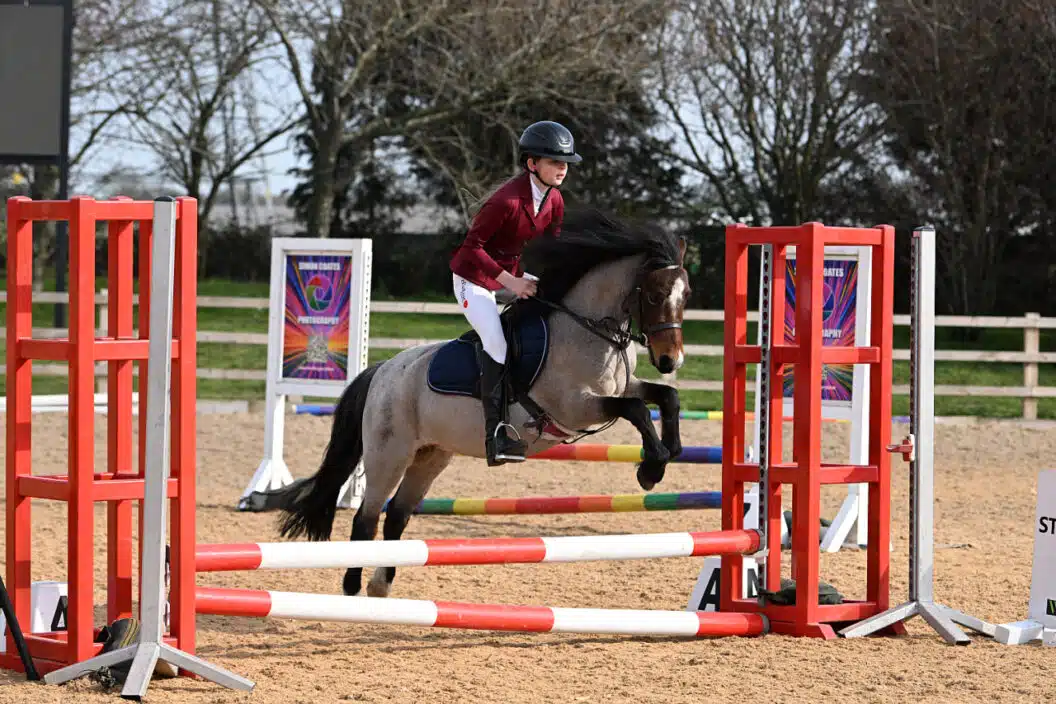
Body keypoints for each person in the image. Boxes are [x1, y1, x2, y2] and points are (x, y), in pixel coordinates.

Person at [449, 120, 582, 466]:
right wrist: (512, 281)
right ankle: (495, 436)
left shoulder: (554, 199)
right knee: (496, 344)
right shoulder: (505, 201)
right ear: (532, 164)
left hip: (513, 275)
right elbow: (471, 248)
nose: (562, 168)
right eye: (554, 161)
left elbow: (551, 248)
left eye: (566, 163)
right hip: (473, 278)